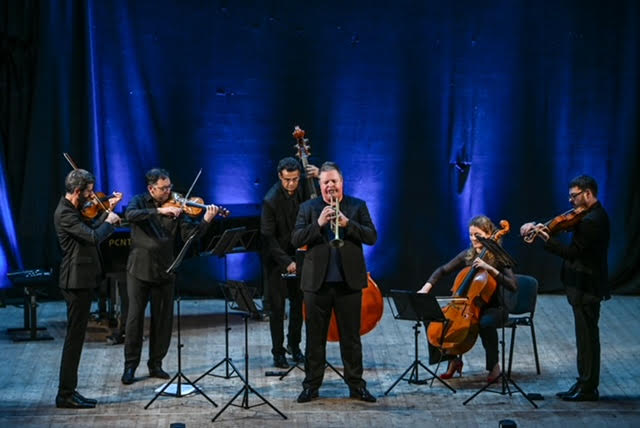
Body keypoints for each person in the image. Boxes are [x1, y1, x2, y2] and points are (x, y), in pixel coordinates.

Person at [121, 168, 218, 385]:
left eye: (169, 187)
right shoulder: (139, 202)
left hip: (165, 270)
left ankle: (156, 364)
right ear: (151, 189)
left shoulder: (178, 207)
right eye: (163, 188)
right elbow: (129, 215)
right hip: (139, 270)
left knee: (163, 320)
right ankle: (130, 366)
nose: (169, 192)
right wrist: (159, 211)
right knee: (134, 320)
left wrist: (206, 220)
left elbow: (190, 236)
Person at [291, 161, 377, 403]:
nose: (330, 185)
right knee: (314, 339)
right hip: (316, 285)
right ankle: (311, 386)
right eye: (326, 182)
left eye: (334, 181)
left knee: (351, 339)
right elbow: (296, 239)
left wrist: (348, 224)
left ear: (342, 183)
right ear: (320, 185)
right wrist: (318, 224)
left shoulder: (357, 206)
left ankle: (356, 386)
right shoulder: (308, 208)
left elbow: (372, 236)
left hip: (348, 285)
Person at [521, 175, 609, 402]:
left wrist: (547, 239)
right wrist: (540, 226)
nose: (570, 201)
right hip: (582, 287)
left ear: (587, 194)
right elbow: (562, 223)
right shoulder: (587, 216)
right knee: (584, 338)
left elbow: (572, 253)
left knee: (587, 339)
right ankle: (583, 382)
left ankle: (588, 387)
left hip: (586, 287)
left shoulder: (592, 221)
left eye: (574, 196)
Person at [418, 215, 517, 382]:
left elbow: (512, 285)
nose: (473, 238)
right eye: (471, 234)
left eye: (477, 235)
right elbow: (442, 270)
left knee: (485, 323)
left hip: (494, 307)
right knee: (433, 317)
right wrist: (426, 287)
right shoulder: (468, 255)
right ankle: (452, 359)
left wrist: (489, 269)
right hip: (467, 307)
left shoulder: (499, 257)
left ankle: (494, 366)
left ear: (488, 234)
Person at [53, 169, 121, 408]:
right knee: (74, 340)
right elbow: (92, 237)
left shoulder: (73, 210)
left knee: (77, 339)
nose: (92, 196)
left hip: (81, 280)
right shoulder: (65, 213)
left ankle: (70, 391)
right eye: (89, 192)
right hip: (74, 281)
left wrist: (107, 213)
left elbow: (91, 226)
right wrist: (109, 222)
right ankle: (65, 394)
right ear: (77, 191)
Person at [261, 157, 318, 369]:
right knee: (277, 308)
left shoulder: (304, 189)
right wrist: (287, 262)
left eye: (295, 179)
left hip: (299, 254)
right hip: (277, 260)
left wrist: (319, 175)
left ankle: (294, 346)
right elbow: (268, 238)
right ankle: (278, 352)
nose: (291, 184)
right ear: (280, 176)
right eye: (287, 180)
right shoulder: (271, 200)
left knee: (297, 303)